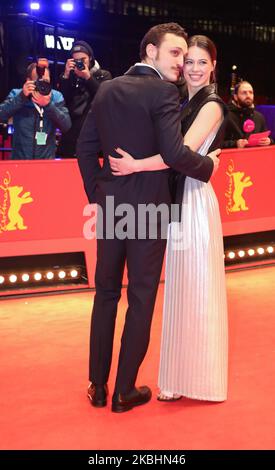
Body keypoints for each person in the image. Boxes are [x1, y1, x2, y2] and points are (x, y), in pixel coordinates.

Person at [77, 23, 220, 413]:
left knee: (105, 294)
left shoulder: (106, 89)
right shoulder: (163, 92)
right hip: (151, 209)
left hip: (111, 209)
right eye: (175, 54)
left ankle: (97, 386)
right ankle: (124, 390)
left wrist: (99, 195)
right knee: (140, 298)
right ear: (151, 51)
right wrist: (207, 166)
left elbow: (85, 149)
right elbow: (174, 154)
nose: (181, 62)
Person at [109, 35, 228, 402]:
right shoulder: (179, 100)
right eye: (187, 60)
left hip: (193, 202)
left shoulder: (211, 105)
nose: (192, 68)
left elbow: (179, 154)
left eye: (200, 62)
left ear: (212, 68)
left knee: (196, 288)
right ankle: (176, 378)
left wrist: (134, 165)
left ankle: (201, 379)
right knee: (178, 289)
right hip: (175, 201)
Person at [0, 61, 71, 159]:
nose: (42, 84)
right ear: (28, 80)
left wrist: (48, 105)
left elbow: (66, 125)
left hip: (46, 162)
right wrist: (22, 97)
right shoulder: (17, 94)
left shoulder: (56, 97)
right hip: (20, 160)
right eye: (38, 81)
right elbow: (1, 115)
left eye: (45, 81)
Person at [57, 40, 112, 158]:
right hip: (71, 135)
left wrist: (87, 77)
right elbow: (61, 101)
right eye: (76, 60)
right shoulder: (69, 77)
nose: (80, 63)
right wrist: (66, 76)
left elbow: (103, 97)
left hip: (94, 135)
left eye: (83, 60)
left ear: (91, 58)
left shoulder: (103, 75)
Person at [222, 80, 272, 148]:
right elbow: (217, 144)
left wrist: (269, 141)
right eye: (244, 93)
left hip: (256, 156)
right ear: (235, 97)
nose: (248, 95)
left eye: (251, 92)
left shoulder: (259, 117)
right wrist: (235, 144)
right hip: (234, 157)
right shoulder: (226, 116)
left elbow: (268, 137)